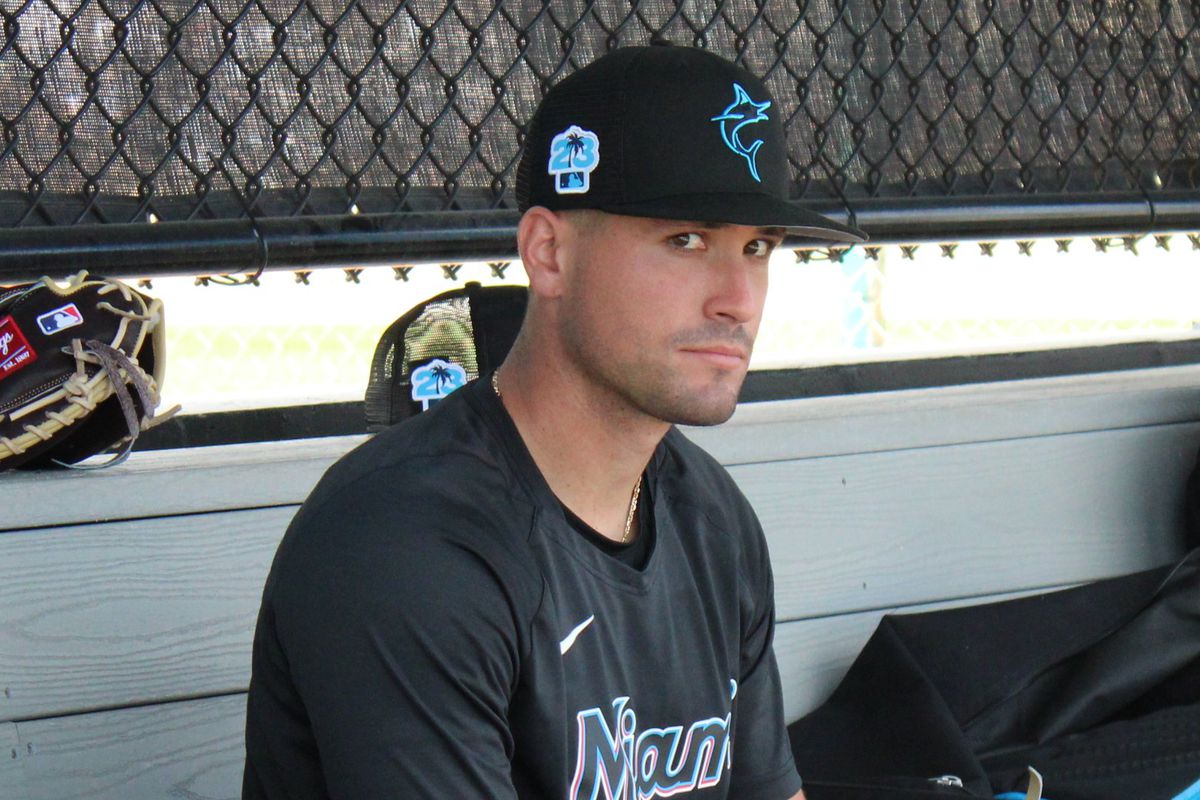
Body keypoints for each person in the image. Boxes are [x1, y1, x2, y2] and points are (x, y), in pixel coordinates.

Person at [243, 42, 864, 800]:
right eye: (687, 240)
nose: (737, 299)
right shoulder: (403, 544)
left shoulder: (712, 519)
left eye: (758, 247)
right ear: (549, 253)